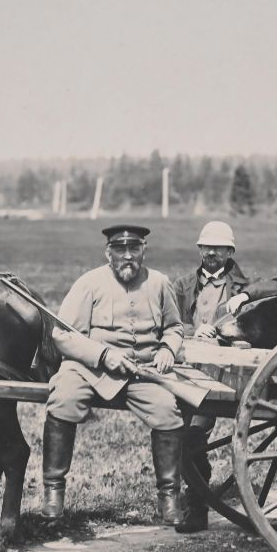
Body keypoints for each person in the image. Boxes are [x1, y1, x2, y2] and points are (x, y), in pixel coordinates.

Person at [43, 224, 187, 525]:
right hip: (89, 367)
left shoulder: (159, 283)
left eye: (134, 249)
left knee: (167, 412)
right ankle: (53, 492)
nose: (127, 257)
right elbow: (63, 335)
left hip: (141, 371)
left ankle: (169, 498)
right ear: (108, 253)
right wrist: (103, 355)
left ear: (143, 251)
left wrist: (167, 350)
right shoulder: (89, 283)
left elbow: (175, 327)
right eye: (120, 250)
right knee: (63, 399)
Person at [169, 220, 277, 532]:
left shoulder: (241, 283)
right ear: (199, 250)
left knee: (195, 433)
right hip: (189, 371)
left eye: (218, 248)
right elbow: (168, 322)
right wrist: (196, 330)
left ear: (230, 251)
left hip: (229, 375)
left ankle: (195, 505)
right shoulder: (183, 285)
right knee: (187, 437)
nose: (211, 253)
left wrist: (246, 296)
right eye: (206, 247)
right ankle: (195, 506)